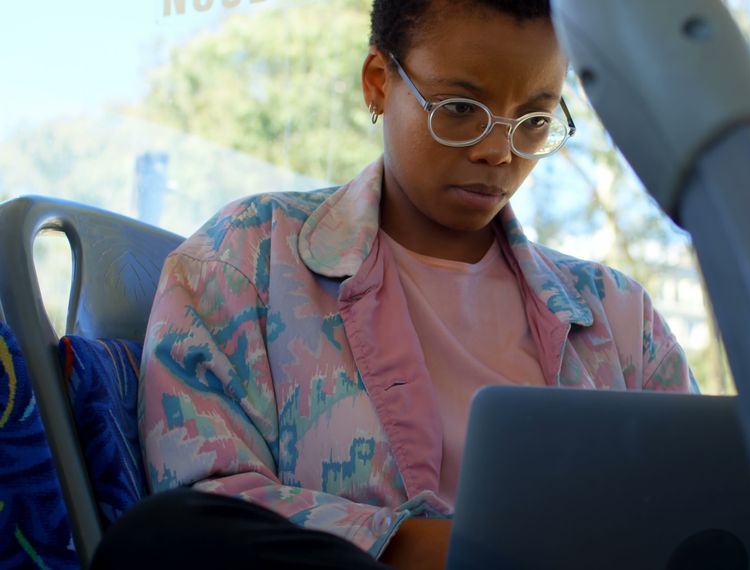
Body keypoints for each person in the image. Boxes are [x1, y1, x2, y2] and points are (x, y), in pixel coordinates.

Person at [93, 0, 696, 568]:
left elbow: (701, 508)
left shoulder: (618, 318)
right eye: (460, 109)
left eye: (534, 120)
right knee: (161, 540)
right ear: (379, 81)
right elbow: (209, 508)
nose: (498, 150)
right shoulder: (245, 259)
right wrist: (472, 553)